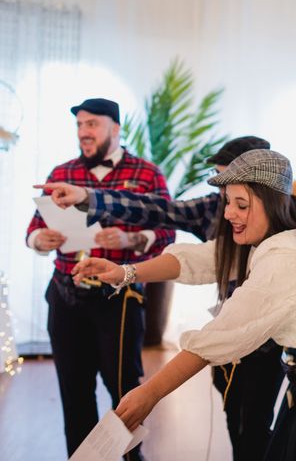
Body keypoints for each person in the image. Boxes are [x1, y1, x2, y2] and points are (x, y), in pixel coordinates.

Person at [69, 149, 296, 458]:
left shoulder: (283, 257)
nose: (227, 214)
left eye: (241, 205)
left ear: (275, 203)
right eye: (227, 203)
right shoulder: (271, 241)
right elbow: (204, 258)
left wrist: (150, 392)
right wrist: (124, 272)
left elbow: (223, 332)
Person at [26, 97, 175, 460]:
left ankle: (130, 457)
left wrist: (133, 239)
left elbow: (168, 230)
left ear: (115, 128)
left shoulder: (147, 173)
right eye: (79, 125)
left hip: (119, 299)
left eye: (91, 124)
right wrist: (39, 240)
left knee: (124, 388)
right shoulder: (62, 174)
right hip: (65, 295)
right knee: (73, 390)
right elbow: (33, 228)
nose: (83, 132)